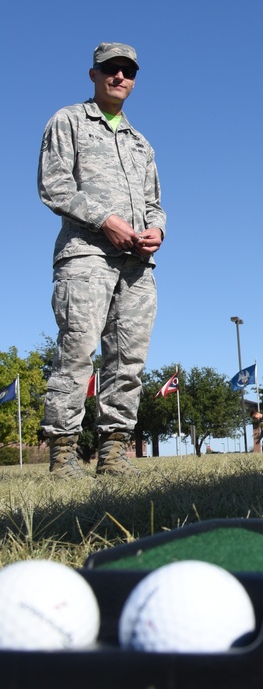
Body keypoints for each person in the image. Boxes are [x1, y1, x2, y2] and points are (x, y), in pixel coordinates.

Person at [38, 42, 165, 477]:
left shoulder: (140, 143)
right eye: (111, 68)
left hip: (137, 267)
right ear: (93, 74)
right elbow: (54, 185)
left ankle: (114, 453)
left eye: (128, 71)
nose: (119, 77)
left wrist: (158, 230)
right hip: (85, 256)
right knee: (77, 353)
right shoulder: (69, 120)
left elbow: (154, 203)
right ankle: (63, 454)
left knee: (128, 361)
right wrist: (105, 220)